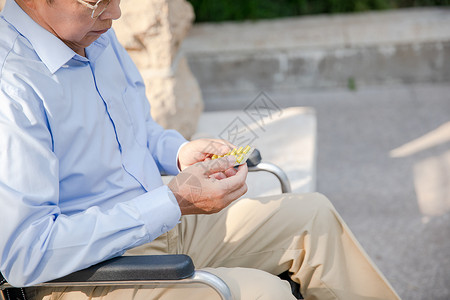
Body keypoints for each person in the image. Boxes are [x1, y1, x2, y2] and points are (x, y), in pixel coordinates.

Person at [0, 0, 401, 299]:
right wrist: (174, 201)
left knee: (313, 217)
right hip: (88, 275)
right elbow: (25, 254)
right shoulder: (12, 87)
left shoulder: (92, 32)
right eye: (98, 1)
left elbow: (135, 127)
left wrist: (179, 152)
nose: (116, 13)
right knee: (265, 295)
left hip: (158, 225)